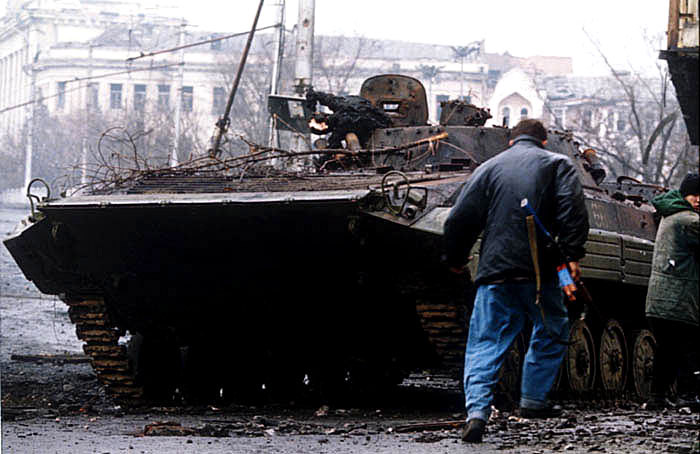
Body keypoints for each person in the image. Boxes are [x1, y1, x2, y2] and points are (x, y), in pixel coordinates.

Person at [444, 119, 589, 443]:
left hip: (496, 272)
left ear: (510, 141)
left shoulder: (488, 168)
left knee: (485, 341)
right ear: (544, 141)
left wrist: (455, 259)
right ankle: (533, 401)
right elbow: (572, 209)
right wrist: (571, 255)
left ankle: (477, 413)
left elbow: (459, 218)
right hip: (544, 273)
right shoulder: (558, 164)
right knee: (552, 329)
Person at [644, 172, 699, 409]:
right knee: (689, 349)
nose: (699, 199)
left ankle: (657, 398)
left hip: (660, 298)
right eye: (695, 195)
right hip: (680, 299)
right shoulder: (690, 221)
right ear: (685, 195)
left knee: (667, 350)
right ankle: (688, 396)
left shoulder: (670, 215)